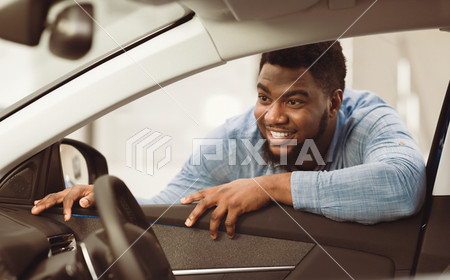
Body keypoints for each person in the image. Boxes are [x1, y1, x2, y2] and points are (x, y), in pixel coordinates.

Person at [31, 41, 426, 240]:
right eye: (264, 97)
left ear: (334, 101)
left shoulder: (367, 119)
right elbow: (167, 210)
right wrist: (97, 201)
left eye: (295, 100)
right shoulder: (233, 140)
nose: (273, 117)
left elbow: (403, 184)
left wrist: (269, 186)